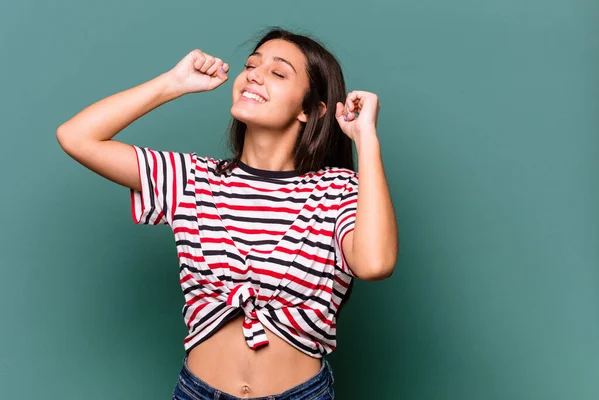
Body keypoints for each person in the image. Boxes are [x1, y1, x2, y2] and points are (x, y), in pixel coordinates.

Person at [57, 26, 398, 400]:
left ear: (309, 110)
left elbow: (374, 264)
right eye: (251, 65)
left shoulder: (338, 189)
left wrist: (366, 140)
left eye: (278, 72)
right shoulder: (191, 179)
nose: (254, 74)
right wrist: (172, 83)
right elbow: (77, 137)